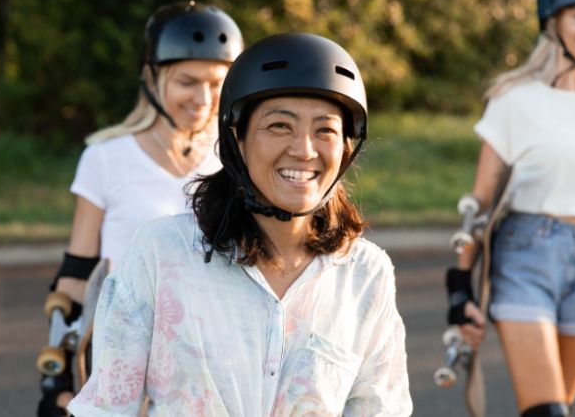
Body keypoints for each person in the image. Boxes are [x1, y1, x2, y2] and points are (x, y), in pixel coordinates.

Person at [68, 32, 412, 416]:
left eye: (325, 129)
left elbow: (380, 409)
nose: (304, 149)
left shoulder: (366, 274)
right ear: (238, 137)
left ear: (347, 146)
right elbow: (106, 409)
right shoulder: (161, 253)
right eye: (280, 125)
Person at [37, 1, 243, 417]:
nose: (204, 98)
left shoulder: (237, 159)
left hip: (211, 359)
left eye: (217, 82)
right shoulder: (105, 157)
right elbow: (78, 272)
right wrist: (55, 383)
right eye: (188, 81)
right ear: (152, 76)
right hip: (120, 354)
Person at [446, 0, 575, 416]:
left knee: (563, 405)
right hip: (525, 254)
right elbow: (478, 203)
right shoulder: (515, 99)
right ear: (552, 22)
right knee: (546, 412)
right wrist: (459, 287)